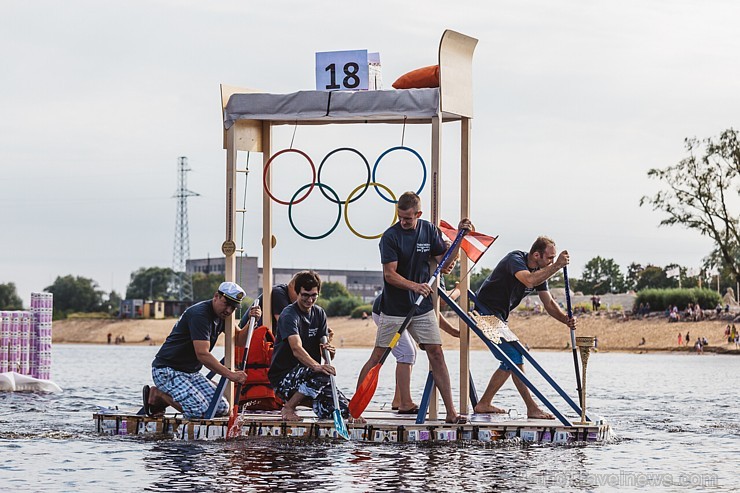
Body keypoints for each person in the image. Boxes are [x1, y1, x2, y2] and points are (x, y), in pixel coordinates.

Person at [355, 191, 471, 424]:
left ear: (418, 214)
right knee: (378, 356)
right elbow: (390, 275)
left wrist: (459, 239)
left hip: (422, 308)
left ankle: (451, 413)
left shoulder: (429, 230)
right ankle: (355, 411)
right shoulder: (390, 237)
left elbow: (446, 263)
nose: (403, 221)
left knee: (436, 353)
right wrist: (414, 286)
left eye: (408, 218)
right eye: (400, 217)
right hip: (394, 308)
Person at [472, 236, 576, 419]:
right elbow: (528, 280)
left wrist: (565, 319)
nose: (551, 261)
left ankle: (484, 403)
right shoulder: (515, 260)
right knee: (514, 357)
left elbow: (549, 303)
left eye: (553, 258)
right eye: (549, 257)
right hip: (483, 312)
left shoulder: (541, 273)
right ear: (536, 255)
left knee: (509, 361)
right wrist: (557, 265)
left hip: (499, 318)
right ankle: (532, 408)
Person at [143, 282, 261, 418]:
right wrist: (230, 374)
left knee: (222, 408)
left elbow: (239, 339)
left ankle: (176, 395)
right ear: (216, 296)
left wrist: (252, 321)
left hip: (190, 373)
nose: (228, 310)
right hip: (167, 370)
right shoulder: (200, 314)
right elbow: (202, 354)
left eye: (233, 307)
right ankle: (159, 395)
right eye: (226, 304)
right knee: (199, 411)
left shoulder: (223, 316)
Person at [268, 270, 356, 422]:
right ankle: (288, 407)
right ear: (297, 293)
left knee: (346, 411)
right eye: (305, 295)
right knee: (322, 373)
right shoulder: (289, 315)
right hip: (284, 378)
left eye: (313, 295)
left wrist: (329, 351)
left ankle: (319, 405)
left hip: (313, 378)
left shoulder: (320, 313)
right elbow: (296, 348)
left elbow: (326, 354)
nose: (309, 300)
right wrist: (317, 367)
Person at [370, 285, 461, 414]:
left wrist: (453, 331)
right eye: (449, 263)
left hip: (411, 310)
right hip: (387, 310)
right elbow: (442, 302)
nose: (451, 266)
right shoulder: (432, 270)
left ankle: (399, 400)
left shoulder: (438, 274)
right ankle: (404, 403)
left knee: (408, 354)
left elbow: (433, 309)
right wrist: (459, 290)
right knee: (406, 354)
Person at [239, 272, 304, 333]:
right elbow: (286, 325)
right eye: (303, 294)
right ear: (293, 286)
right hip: (247, 337)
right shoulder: (279, 293)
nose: (304, 298)